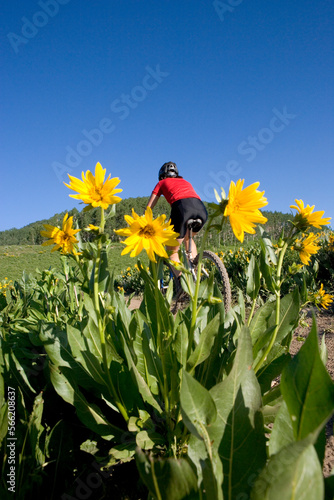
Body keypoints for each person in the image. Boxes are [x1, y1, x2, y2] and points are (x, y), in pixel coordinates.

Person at [147, 162, 208, 271]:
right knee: (188, 238)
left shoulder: (162, 183)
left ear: (162, 176)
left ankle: (181, 283)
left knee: (172, 251)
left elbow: (149, 206)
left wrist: (144, 219)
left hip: (182, 209)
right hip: (201, 210)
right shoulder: (185, 182)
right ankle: (195, 271)